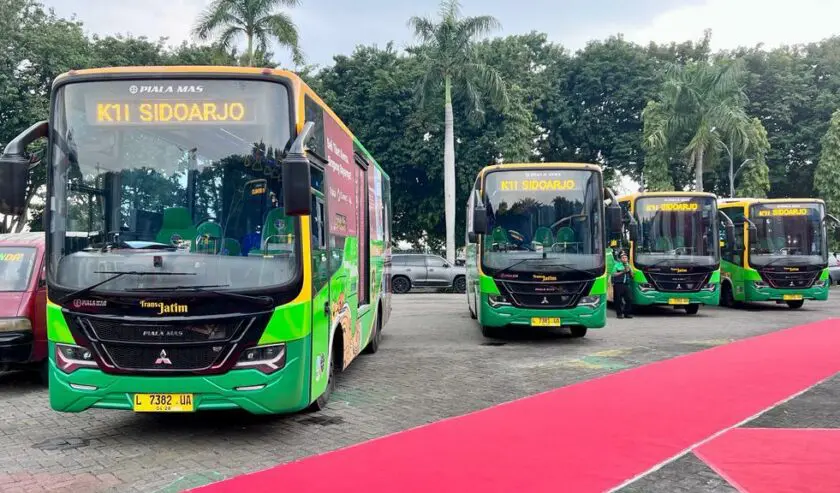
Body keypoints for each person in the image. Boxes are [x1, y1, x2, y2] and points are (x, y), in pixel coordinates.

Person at [612, 250, 633, 319]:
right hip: (618, 284)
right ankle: (619, 314)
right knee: (618, 300)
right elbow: (613, 274)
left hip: (626, 284)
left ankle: (627, 313)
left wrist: (630, 270)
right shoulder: (617, 265)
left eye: (626, 257)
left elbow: (632, 276)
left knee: (629, 299)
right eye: (623, 258)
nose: (624, 259)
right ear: (620, 259)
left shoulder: (629, 265)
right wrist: (623, 271)